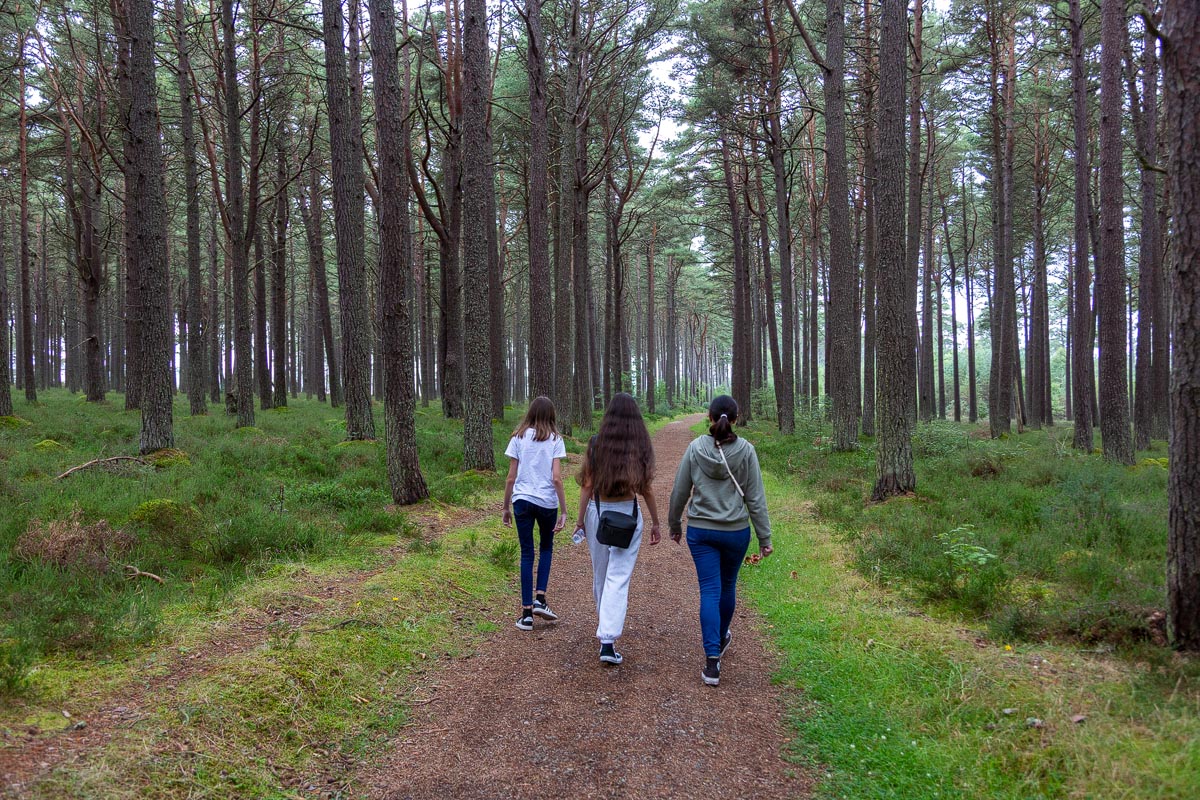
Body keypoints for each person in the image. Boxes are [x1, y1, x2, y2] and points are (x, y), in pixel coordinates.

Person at [668, 395, 772, 686]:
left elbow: (679, 490)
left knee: (709, 590)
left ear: (709, 418)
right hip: (736, 532)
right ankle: (721, 636)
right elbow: (755, 497)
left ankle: (712, 661)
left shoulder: (695, 448)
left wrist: (675, 524)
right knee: (727, 586)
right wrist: (764, 536)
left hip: (701, 532)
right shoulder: (746, 451)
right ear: (736, 419)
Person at [573, 392, 661, 665]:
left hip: (597, 514)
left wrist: (579, 522)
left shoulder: (596, 444)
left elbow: (587, 485)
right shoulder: (640, 445)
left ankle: (606, 637)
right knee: (618, 578)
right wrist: (656, 522)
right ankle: (608, 640)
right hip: (628, 517)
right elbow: (645, 488)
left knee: (601, 576)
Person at [502, 396, 568, 631]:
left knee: (526, 553)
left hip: (522, 500)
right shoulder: (556, 440)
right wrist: (564, 510)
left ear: (530, 413)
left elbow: (511, 477)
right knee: (546, 548)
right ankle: (541, 598)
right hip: (546, 502)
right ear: (551, 415)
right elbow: (557, 478)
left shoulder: (518, 437)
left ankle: (526, 614)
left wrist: (505, 507)